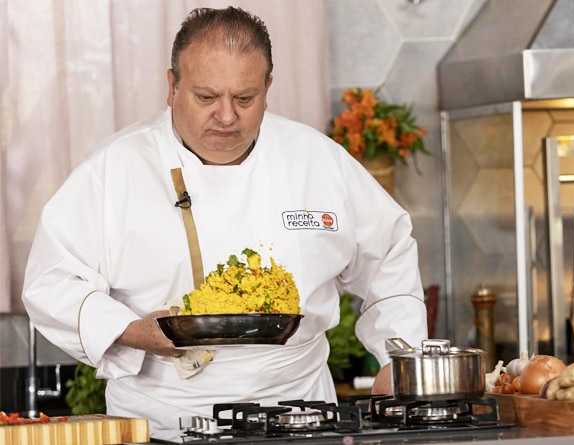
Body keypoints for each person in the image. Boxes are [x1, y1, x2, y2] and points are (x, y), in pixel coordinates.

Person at [21, 6, 427, 438]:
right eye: (207, 97)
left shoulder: (317, 160)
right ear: (172, 86)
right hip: (162, 423)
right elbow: (51, 282)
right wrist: (131, 330)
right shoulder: (114, 169)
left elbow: (389, 254)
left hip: (302, 417)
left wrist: (398, 358)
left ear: (268, 89)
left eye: (245, 98)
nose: (227, 116)